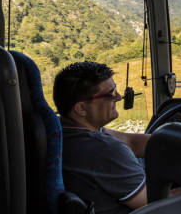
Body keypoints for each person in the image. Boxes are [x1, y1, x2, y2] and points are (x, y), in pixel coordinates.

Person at [53, 62, 150, 213]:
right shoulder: (104, 150)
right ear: (81, 108)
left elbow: (130, 142)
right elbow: (153, 201)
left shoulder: (62, 130)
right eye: (111, 93)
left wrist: (177, 142)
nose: (118, 97)